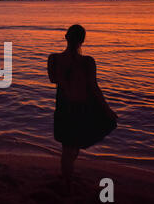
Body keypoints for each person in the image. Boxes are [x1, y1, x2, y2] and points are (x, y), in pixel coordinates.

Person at [47, 24, 117, 193]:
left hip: (64, 106)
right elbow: (94, 87)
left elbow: (53, 79)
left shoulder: (53, 59)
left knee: (68, 146)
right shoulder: (87, 61)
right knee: (73, 146)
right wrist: (107, 109)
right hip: (81, 106)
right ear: (83, 40)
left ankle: (67, 176)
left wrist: (67, 77)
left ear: (66, 37)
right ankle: (67, 181)